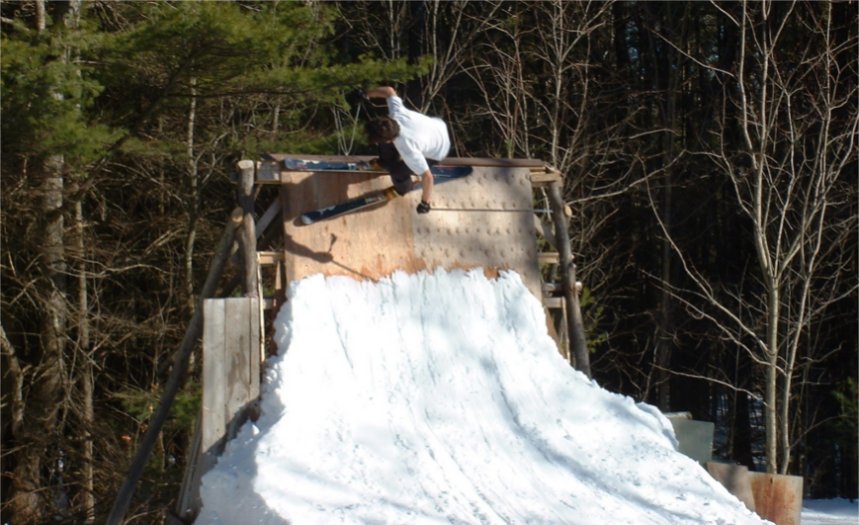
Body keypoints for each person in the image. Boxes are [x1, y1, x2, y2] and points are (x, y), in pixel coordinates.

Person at [362, 86, 451, 215]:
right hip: (437, 127)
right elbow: (388, 91)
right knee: (384, 147)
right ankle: (384, 162)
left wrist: (425, 203)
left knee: (397, 170)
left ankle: (403, 189)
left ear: (390, 140)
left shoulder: (408, 150)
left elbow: (427, 177)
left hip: (438, 151)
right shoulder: (396, 113)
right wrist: (366, 93)